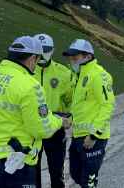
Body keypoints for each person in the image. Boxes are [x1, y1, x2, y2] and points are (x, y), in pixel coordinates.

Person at [0, 36, 71, 187]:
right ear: (32, 58)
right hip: (17, 161)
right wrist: (59, 121)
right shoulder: (30, 85)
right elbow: (41, 129)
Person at [63, 39, 115, 188]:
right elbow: (81, 105)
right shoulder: (78, 76)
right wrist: (70, 119)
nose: (72, 61)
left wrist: (94, 135)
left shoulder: (99, 75)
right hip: (78, 135)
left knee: (89, 180)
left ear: (88, 57)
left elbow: (107, 105)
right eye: (70, 58)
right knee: (75, 173)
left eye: (75, 57)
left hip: (93, 138)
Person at [33, 34, 75, 188]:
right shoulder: (27, 71)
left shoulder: (63, 72)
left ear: (53, 50)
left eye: (47, 49)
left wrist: (70, 117)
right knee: (32, 170)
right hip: (32, 126)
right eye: (40, 49)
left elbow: (71, 100)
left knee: (56, 170)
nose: (44, 53)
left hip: (56, 125)